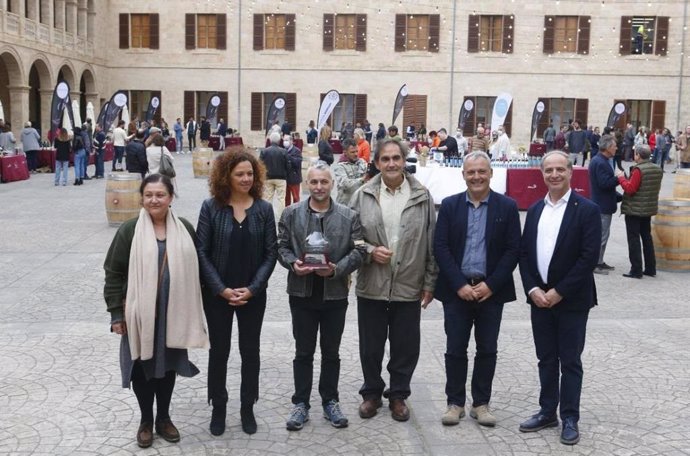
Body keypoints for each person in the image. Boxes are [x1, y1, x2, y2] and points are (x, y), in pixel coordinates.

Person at [104, 174, 208, 448]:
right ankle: (146, 421)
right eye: (149, 195)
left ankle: (164, 417)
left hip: (174, 313)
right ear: (141, 198)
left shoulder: (184, 227)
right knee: (141, 366)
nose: (154, 200)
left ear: (170, 197)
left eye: (160, 195)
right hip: (138, 315)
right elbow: (113, 272)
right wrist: (116, 314)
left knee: (168, 365)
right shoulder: (129, 230)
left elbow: (199, 266)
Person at [349, 139, 438, 422]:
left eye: (396, 158)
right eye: (385, 159)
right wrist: (371, 251)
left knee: (405, 345)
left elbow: (432, 242)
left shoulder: (421, 196)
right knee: (371, 346)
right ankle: (372, 393)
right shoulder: (362, 195)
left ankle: (398, 394)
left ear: (404, 160)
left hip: (408, 284)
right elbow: (349, 239)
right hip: (372, 284)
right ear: (376, 163)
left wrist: (429, 282)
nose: (391, 163)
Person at [518, 151, 601, 446]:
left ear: (570, 172)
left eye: (559, 169)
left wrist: (559, 291)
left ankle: (569, 417)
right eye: (548, 170)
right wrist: (533, 290)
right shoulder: (536, 209)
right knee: (546, 359)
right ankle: (546, 411)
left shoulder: (587, 210)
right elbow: (524, 253)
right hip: (539, 299)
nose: (554, 175)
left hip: (572, 300)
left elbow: (588, 258)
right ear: (542, 174)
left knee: (570, 361)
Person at [434, 151, 520, 427]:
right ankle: (455, 403)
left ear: (491, 173)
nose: (476, 177)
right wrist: (459, 284)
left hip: (490, 292)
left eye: (482, 171)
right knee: (455, 349)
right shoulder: (449, 206)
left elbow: (512, 250)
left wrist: (491, 285)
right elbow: (441, 248)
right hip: (457, 292)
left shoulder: (507, 207)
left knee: (487, 349)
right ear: (463, 175)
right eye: (471, 172)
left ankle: (481, 404)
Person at [277, 162, 365, 431]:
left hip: (334, 294)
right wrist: (293, 264)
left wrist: (337, 269)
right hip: (301, 293)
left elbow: (359, 252)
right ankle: (301, 403)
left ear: (332, 184)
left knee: (331, 353)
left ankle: (330, 401)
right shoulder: (291, 214)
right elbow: (280, 246)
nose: (318, 187)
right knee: (303, 352)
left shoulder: (349, 216)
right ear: (306, 184)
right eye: (313, 182)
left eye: (323, 182)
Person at [196, 150, 278, 436]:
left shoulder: (264, 210)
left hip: (252, 295)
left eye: (250, 174)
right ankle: (219, 407)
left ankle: (247, 407)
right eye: (239, 174)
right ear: (226, 177)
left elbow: (271, 254)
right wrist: (220, 289)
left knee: (250, 352)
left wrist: (253, 289)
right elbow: (201, 253)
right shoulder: (211, 208)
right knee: (219, 351)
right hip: (218, 295)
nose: (246, 179)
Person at [615, 144, 663, 278]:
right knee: (647, 238)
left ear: (638, 155)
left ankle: (636, 269)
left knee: (634, 239)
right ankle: (650, 268)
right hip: (647, 209)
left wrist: (621, 177)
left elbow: (630, 189)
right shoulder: (657, 169)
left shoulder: (638, 170)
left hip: (634, 210)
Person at [589, 134, 620, 275]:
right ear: (607, 147)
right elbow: (604, 183)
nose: (616, 148)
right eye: (614, 146)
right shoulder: (600, 162)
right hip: (602, 205)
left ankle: (599, 261)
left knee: (604, 235)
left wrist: (619, 196)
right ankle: (595, 263)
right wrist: (619, 178)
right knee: (601, 236)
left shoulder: (601, 160)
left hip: (603, 203)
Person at [261, 131, 290, 219]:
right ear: (279, 141)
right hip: (281, 178)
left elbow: (260, 164)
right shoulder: (284, 151)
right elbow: (288, 165)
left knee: (267, 198)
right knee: (281, 199)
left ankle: (267, 216)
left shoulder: (264, 151)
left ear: (270, 140)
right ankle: (280, 217)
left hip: (268, 177)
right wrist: (286, 174)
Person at [333, 138, 368, 205]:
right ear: (345, 152)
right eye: (352, 152)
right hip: (345, 205)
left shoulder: (362, 162)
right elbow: (345, 184)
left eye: (357, 151)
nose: (356, 154)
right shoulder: (340, 166)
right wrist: (362, 179)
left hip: (359, 203)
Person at [284, 134, 303, 207]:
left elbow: (298, 162)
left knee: (296, 197)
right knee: (286, 199)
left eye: (286, 140)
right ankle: (287, 212)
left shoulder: (296, 151)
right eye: (284, 140)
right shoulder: (283, 150)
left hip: (294, 178)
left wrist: (289, 157)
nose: (285, 142)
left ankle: (296, 212)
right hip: (286, 178)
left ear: (291, 141)